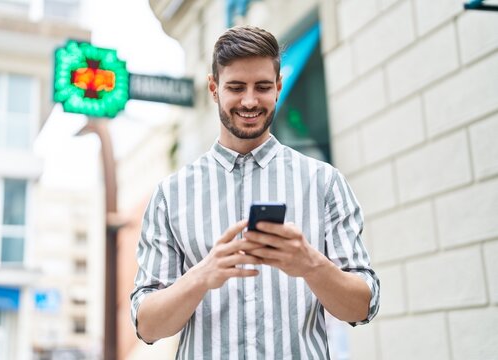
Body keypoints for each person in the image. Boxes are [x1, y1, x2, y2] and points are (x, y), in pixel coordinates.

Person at [131, 25, 380, 359]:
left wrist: (310, 264)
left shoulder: (325, 182)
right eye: (236, 87)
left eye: (262, 87)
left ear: (278, 87)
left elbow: (362, 307)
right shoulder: (170, 194)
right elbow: (146, 325)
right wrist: (202, 275)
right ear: (214, 88)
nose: (250, 100)